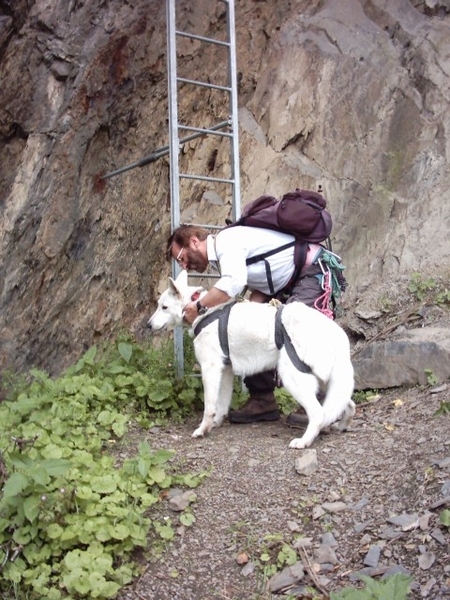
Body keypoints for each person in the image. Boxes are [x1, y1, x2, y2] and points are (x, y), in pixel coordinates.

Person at [166, 222, 340, 427]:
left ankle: (320, 404)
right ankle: (262, 399)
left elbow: (233, 283)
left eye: (182, 258)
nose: (185, 266)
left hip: (311, 270)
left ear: (194, 242)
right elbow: (259, 281)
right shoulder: (220, 256)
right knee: (251, 332)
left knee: (298, 331)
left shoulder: (226, 242)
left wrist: (199, 306)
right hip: (284, 280)